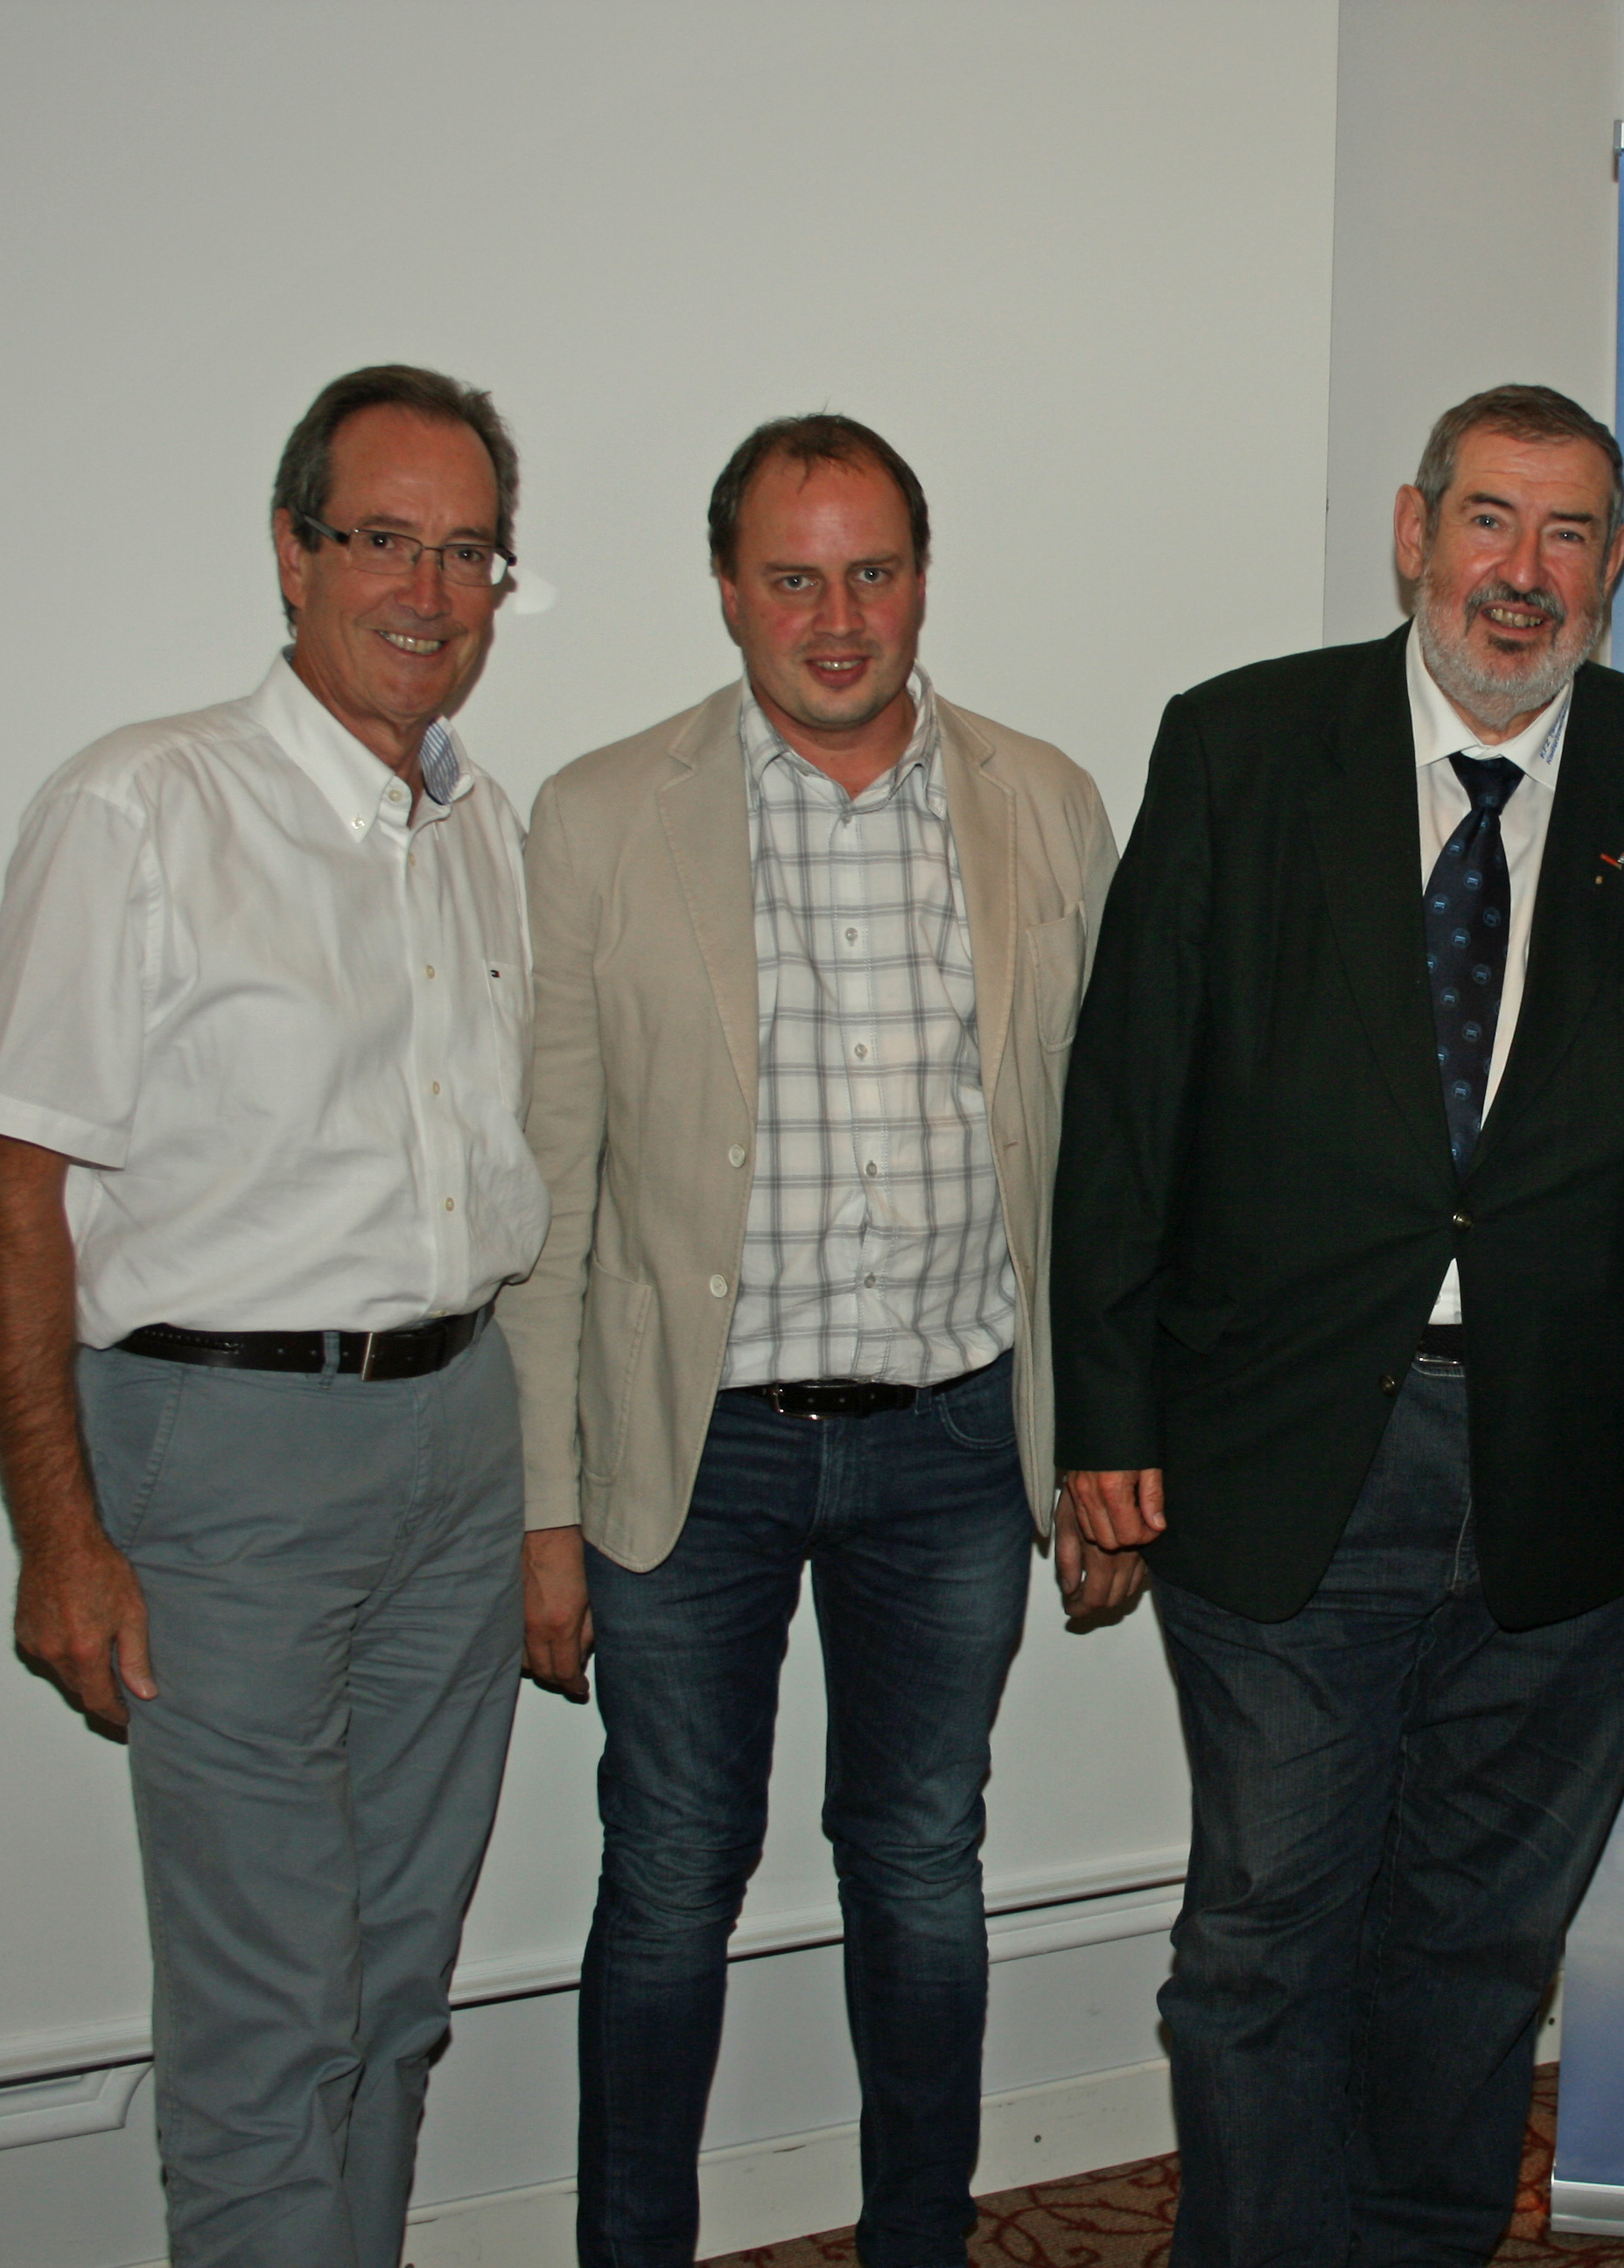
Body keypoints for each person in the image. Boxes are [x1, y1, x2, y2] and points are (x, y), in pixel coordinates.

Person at [1050, 382, 1624, 2266]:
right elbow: (1128, 1099)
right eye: (1489, 521)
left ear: (1615, 566)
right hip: (1288, 1451)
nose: (1521, 574)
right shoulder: (1240, 747)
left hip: (1574, 1487)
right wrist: (1104, 1414)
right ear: (1413, 531)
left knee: (1479, 1947)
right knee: (1265, 1940)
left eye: (1567, 535)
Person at [499, 413, 1120, 2268]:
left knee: (922, 1863)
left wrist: (1102, 1439)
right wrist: (543, 1511)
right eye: (793, 578)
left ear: (922, 580)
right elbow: (550, 1191)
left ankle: (917, 2241)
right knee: (671, 1876)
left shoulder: (1047, 804)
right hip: (694, 1454)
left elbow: (1104, 1169)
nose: (837, 619)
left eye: (872, 573)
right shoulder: (601, 816)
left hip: (957, 1441)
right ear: (728, 589)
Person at [0, 365, 541, 2268]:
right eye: (385, 540)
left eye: (469, 553)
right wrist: (60, 1535)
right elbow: (7, 1183)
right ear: (294, 553)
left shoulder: (481, 826)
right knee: (267, 2015)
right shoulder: (142, 805)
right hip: (222, 1469)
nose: (429, 592)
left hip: (458, 1437)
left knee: (396, 1984)